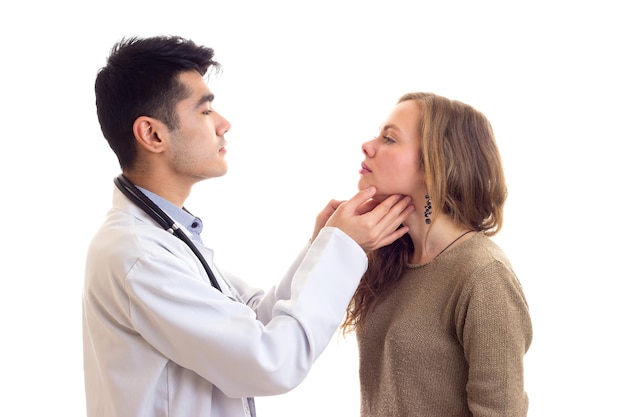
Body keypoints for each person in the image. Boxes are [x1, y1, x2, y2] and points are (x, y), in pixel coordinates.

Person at [82, 35, 415, 417]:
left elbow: (254, 319)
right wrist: (341, 250)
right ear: (153, 134)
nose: (224, 124)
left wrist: (323, 247)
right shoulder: (137, 256)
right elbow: (269, 361)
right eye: (205, 111)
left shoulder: (162, 237)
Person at [342, 92, 533, 417]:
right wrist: (329, 245)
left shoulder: (484, 276)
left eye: (389, 138)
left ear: (435, 167)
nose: (368, 146)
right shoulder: (390, 258)